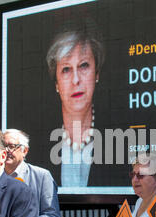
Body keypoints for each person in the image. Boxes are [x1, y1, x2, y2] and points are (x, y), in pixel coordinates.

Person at [46, 23, 105, 187]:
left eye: (84, 65)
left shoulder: (119, 137)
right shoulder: (40, 146)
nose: (75, 80)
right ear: (57, 83)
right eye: (66, 69)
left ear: (96, 74)